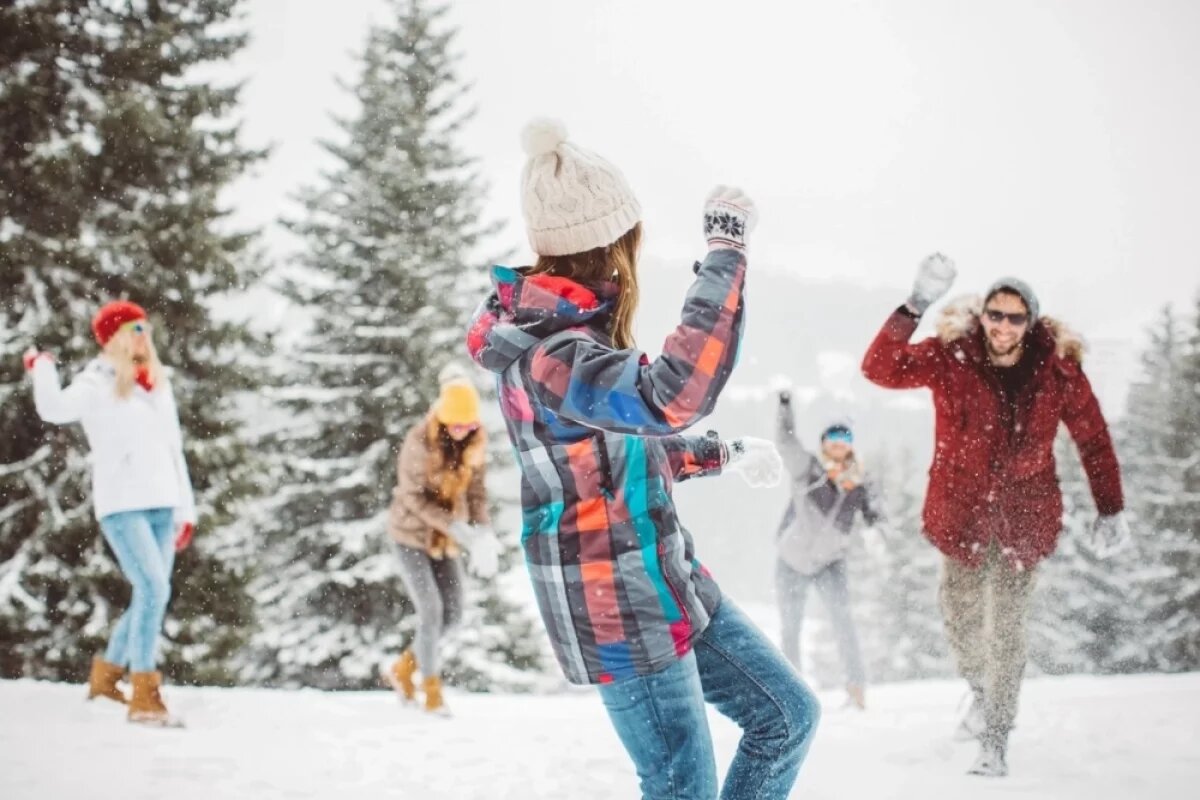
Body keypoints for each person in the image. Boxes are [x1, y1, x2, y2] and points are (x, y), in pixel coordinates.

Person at [466, 118, 819, 799]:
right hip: (615, 605)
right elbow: (673, 394)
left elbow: (609, 456)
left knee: (787, 717)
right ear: (611, 245)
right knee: (682, 783)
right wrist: (725, 254)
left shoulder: (568, 339)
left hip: (665, 578)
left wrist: (716, 455)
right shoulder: (549, 352)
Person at [861, 254, 1129, 777]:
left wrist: (1110, 509)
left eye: (1015, 317)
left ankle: (996, 737)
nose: (1003, 327)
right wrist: (914, 305)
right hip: (959, 517)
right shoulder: (950, 357)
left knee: (1005, 631)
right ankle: (982, 693)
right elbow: (879, 368)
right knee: (960, 622)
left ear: (1031, 322)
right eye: (995, 315)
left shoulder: (1057, 373)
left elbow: (1093, 439)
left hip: (1023, 521)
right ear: (982, 315)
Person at [24, 300, 196, 726]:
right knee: (154, 590)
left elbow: (174, 448)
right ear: (115, 336)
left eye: (145, 327)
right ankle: (144, 696)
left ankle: (106, 680)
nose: (144, 335)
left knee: (151, 593)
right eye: (134, 328)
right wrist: (42, 368)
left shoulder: (156, 383)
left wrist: (185, 508)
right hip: (122, 504)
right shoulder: (95, 382)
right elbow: (54, 409)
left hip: (163, 500)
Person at [383, 365, 500, 715]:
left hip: (445, 539)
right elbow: (412, 498)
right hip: (409, 536)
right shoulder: (419, 442)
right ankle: (431, 691)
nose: (464, 431)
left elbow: (476, 493)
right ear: (443, 418)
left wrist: (483, 533)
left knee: (453, 615)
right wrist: (456, 526)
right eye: (458, 424)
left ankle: (404, 667)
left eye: (470, 425)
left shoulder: (474, 445)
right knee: (431, 612)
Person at [774, 392, 882, 710]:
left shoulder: (859, 482)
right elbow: (785, 441)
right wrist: (784, 406)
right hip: (791, 559)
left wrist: (876, 526)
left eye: (844, 436)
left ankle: (856, 688)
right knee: (791, 626)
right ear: (823, 443)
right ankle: (793, 695)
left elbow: (877, 514)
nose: (839, 442)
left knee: (842, 621)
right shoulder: (807, 470)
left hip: (830, 562)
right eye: (833, 437)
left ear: (850, 444)